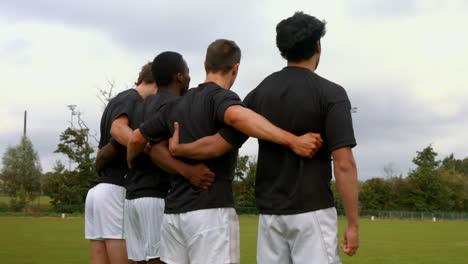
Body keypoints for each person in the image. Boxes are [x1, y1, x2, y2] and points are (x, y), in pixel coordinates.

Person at [168, 12, 359, 264]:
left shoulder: (259, 93)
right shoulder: (331, 93)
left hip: (270, 216)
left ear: (283, 48)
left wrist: (181, 150)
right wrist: (353, 223)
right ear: (317, 46)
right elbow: (343, 163)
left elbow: (217, 145)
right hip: (312, 210)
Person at [127, 39, 323, 264]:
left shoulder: (176, 105)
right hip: (211, 212)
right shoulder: (221, 97)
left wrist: (132, 162)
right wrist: (293, 141)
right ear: (236, 68)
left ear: (204, 64)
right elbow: (236, 116)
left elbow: (136, 139)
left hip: (173, 215)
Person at [123, 52, 215, 264]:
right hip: (157, 196)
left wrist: (131, 159)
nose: (190, 77)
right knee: (160, 259)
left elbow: (133, 141)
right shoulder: (176, 105)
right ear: (179, 77)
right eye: (188, 72)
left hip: (133, 197)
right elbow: (149, 145)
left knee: (140, 260)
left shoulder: (140, 105)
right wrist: (188, 171)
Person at [85, 62, 156, 264]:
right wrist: (146, 146)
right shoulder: (133, 100)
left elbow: (101, 152)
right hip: (116, 190)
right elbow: (118, 129)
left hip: (97, 191)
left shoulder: (115, 100)